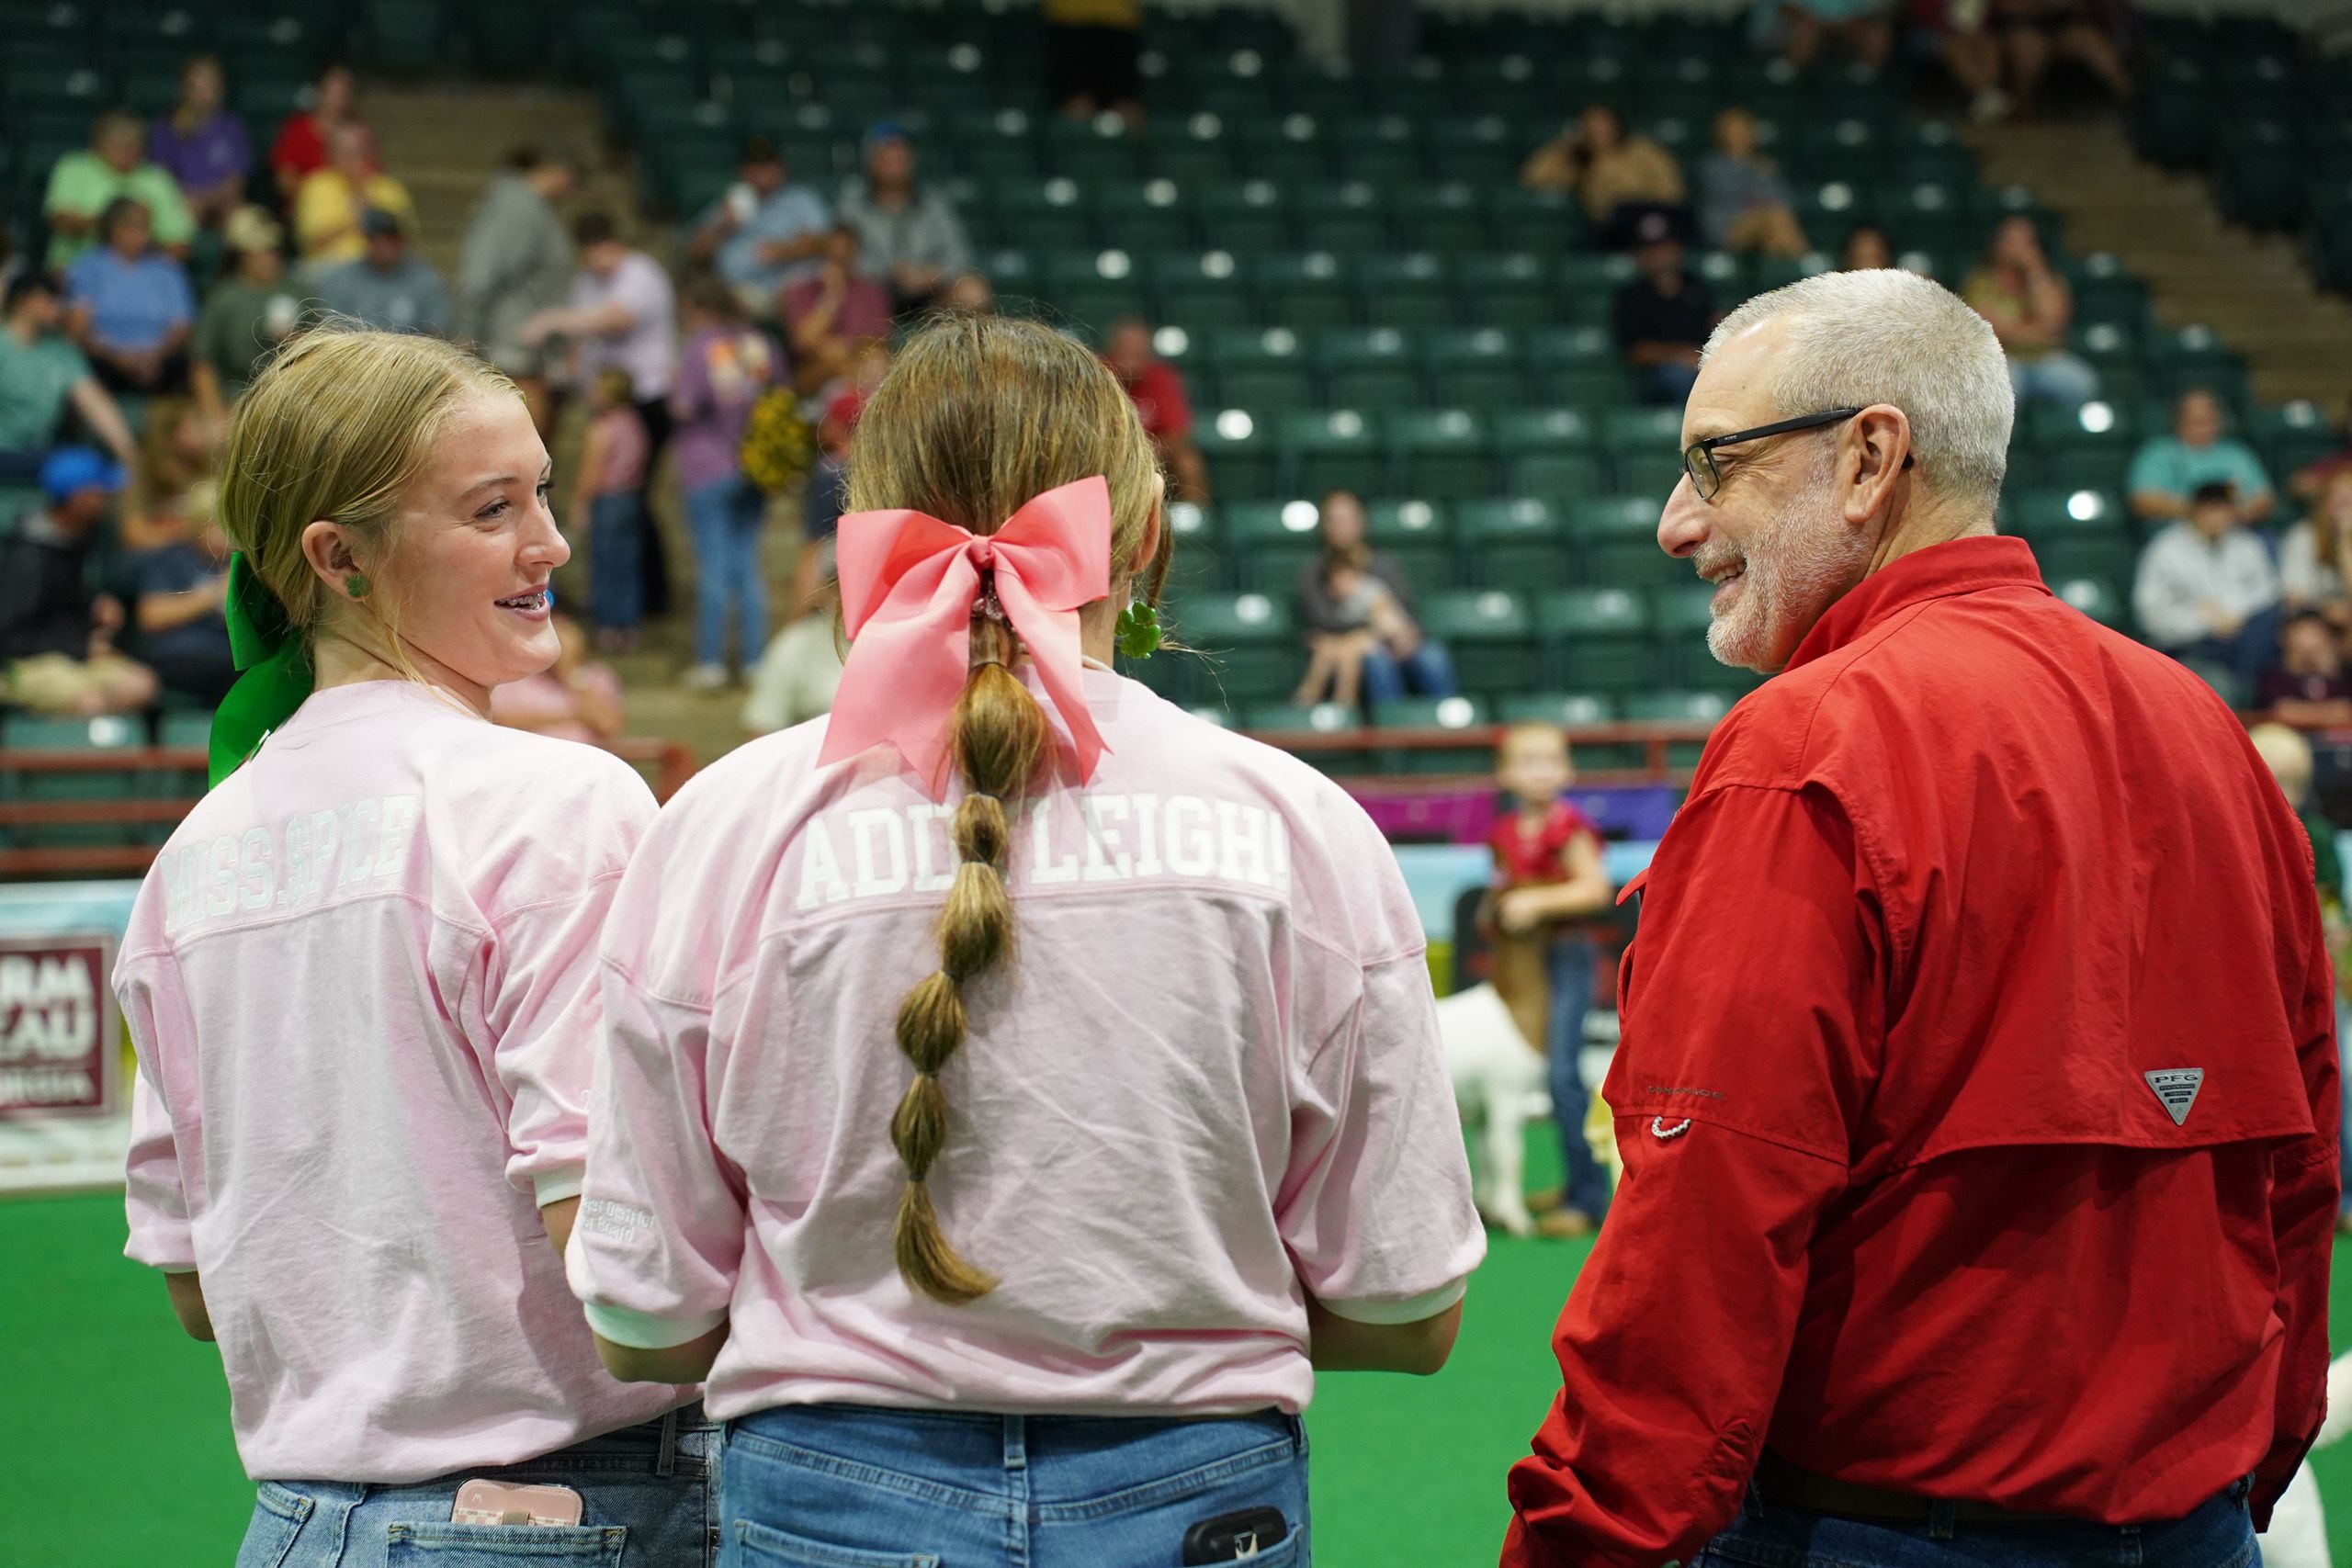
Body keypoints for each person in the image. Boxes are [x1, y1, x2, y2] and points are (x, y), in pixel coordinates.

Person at [566, 312, 1482, 1561]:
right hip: (1196, 1488)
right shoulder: (1298, 826)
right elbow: (1410, 1305)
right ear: (1144, 536)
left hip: (826, 1489)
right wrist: (1167, 1303)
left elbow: (641, 1321)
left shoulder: (721, 827)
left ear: (863, 541)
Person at [1505, 267, 2337, 1567]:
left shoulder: (1809, 743)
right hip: (2199, 1526)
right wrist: (2234, 1481)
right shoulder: (2208, 731)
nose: (1677, 522)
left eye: (1714, 462)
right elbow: (2296, 1164)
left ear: (1869, 457)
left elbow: (1707, 1219)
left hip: (1883, 1529)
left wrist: (1581, 1545)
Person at [115, 328, 718, 1560]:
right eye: (493, 509)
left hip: (296, 1519)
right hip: (570, 1506)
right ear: (338, 558)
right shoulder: (557, 801)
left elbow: (193, 1286)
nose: (549, 541)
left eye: (543, 492)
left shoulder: (187, 862)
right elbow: (619, 1261)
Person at [1483, 722, 1615, 1240]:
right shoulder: (1505, 833)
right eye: (1528, 761)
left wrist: (1535, 901)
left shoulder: (1570, 829)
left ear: (1567, 769)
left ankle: (1588, 1197)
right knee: (1540, 1072)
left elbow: (1594, 889)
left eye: (1550, 760)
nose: (1541, 771)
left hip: (1567, 958)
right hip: (1524, 964)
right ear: (1506, 774)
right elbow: (1501, 887)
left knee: (1563, 1075)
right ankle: (1568, 1183)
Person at [673, 274, 784, 691]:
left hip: (708, 467)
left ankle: (711, 662)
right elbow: (779, 395)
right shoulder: (760, 345)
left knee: (715, 567)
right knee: (747, 566)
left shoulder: (703, 347)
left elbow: (684, 405)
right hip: (755, 467)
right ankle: (755, 660)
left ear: (700, 310)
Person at [0, 446, 155, 716]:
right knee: (89, 702)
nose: (108, 498)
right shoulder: (28, 557)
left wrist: (94, 603)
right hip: (25, 664)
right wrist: (80, 646)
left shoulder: (81, 540)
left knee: (141, 684)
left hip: (71, 656)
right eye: (100, 491)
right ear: (78, 498)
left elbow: (66, 600)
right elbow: (12, 636)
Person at [455, 145, 578, 431]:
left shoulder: (532, 207)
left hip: (529, 347)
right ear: (553, 170)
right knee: (520, 437)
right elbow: (481, 273)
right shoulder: (516, 206)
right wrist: (467, 331)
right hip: (511, 345)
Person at [1296, 490, 1455, 704]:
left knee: (1433, 655)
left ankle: (1448, 727)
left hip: (1394, 639)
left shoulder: (1384, 564)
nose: (1341, 526)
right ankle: (1390, 730)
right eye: (1334, 520)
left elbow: (1405, 611)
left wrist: (1400, 634)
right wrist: (1367, 636)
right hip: (1354, 649)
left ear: (1362, 522)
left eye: (1348, 519)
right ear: (1324, 525)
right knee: (1376, 660)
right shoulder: (1313, 572)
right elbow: (1323, 623)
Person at [2135, 480, 2282, 697]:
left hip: (2242, 639)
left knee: (2268, 629)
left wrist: (2231, 613)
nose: (2218, 516)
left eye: (2224, 508)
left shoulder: (2246, 544)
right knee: (2219, 685)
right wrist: (2204, 621)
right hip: (2189, 647)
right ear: (2195, 511)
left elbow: (2267, 592)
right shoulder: (2166, 549)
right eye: (2211, 509)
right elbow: (2150, 614)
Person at [0, 271, 140, 482]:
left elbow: (96, 405)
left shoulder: (61, 351)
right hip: (6, 450)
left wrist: (130, 455)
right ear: (25, 300)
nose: (58, 308)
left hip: (41, 452)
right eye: (50, 300)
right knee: (76, 468)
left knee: (94, 469)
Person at [1962, 214, 2097, 411]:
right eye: (2011, 241)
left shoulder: (2049, 280)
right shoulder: (1980, 282)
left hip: (2047, 358)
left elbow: (2053, 320)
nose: (2018, 248)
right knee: (2004, 389)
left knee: (2080, 382)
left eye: (2025, 242)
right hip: (2003, 359)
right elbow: (1989, 330)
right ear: (1997, 244)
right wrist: (2038, 333)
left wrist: (2035, 270)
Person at [836, 125, 973, 317]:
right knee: (842, 291)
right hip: (874, 292)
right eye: (886, 160)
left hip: (929, 293)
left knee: (972, 292)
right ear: (871, 163)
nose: (894, 167)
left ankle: (957, 346)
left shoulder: (934, 204)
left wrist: (930, 275)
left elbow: (960, 256)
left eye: (900, 160)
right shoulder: (852, 205)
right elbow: (842, 258)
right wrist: (890, 274)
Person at [687, 136, 831, 319]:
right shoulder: (728, 205)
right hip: (736, 292)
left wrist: (784, 251)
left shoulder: (800, 199)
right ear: (742, 170)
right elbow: (696, 254)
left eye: (768, 164)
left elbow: (824, 242)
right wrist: (722, 227)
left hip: (789, 287)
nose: (761, 171)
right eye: (754, 164)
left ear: (781, 167)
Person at [64, 198, 196, 398]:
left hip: (159, 362)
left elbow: (181, 326)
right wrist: (117, 358)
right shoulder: (89, 267)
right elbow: (78, 328)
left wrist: (156, 356)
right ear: (114, 229)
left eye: (145, 227)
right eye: (133, 227)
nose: (142, 235)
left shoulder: (167, 270)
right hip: (104, 361)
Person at [191, 207, 305, 428]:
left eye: (270, 250)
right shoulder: (224, 297)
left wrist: (295, 343)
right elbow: (202, 362)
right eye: (255, 252)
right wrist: (214, 414)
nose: (265, 259)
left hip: (295, 395)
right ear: (241, 256)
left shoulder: (300, 291)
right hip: (238, 395)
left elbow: (324, 351)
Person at [42, 110, 197, 270]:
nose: (128, 147)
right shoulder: (74, 167)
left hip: (141, 273)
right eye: (119, 141)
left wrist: (141, 255)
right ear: (98, 142)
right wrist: (115, 224)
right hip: (73, 269)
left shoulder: (157, 179)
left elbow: (180, 246)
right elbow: (59, 218)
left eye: (133, 141)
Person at [126, 482, 236, 705]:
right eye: (218, 526)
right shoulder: (171, 560)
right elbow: (152, 617)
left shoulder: (238, 563)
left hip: (228, 654)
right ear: (199, 526)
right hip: (180, 654)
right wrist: (212, 595)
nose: (226, 535)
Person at [1521, 105, 1687, 250]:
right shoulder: (1580, 158)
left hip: (1648, 216)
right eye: (1591, 125)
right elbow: (1534, 175)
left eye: (1604, 123)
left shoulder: (1641, 150)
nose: (1599, 130)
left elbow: (1672, 191)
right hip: (1608, 227)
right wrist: (1569, 145)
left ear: (1617, 125)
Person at [571, 367, 650, 649]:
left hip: (607, 501)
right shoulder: (634, 425)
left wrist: (579, 506)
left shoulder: (602, 428)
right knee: (628, 564)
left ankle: (607, 626)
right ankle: (628, 626)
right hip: (631, 499)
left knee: (604, 564)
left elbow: (590, 472)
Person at [2130, 386, 2276, 528]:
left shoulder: (2236, 453)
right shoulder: (2158, 453)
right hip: (2180, 533)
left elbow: (2264, 499)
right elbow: (2142, 501)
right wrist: (2200, 512)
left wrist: (2236, 513)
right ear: (2178, 423)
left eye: (2209, 421)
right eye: (2195, 422)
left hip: (2235, 532)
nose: (2202, 428)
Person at [1613, 212, 1718, 407]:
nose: (1659, 256)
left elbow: (1711, 325)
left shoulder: (1695, 285)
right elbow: (1636, 351)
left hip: (1702, 363)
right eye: (1651, 250)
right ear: (1640, 255)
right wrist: (1680, 355)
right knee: (1678, 377)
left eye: (1664, 247)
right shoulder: (1632, 296)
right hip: (1660, 374)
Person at [1102, 317, 1208, 503]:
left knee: (1188, 462)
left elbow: (1178, 434)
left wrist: (1144, 453)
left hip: (1154, 454)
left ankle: (1193, 523)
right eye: (1125, 353)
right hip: (1109, 454)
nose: (1130, 362)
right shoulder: (1099, 374)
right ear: (1113, 351)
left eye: (1137, 354)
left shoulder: (1161, 377)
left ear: (1147, 355)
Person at [741, 551, 844, 736]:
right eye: (839, 585)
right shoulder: (795, 644)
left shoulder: (901, 644)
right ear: (825, 590)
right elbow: (762, 728)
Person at [781, 226, 892, 395]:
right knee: (826, 367)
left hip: (860, 365)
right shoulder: (802, 291)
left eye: (845, 249)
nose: (839, 256)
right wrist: (832, 296)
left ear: (855, 252)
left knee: (876, 361)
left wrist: (840, 349)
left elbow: (877, 342)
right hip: (817, 371)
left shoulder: (871, 292)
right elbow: (803, 342)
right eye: (832, 251)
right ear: (822, 254)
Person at [294, 122, 415, 271]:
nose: (354, 159)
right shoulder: (317, 185)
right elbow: (316, 242)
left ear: (373, 153)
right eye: (346, 152)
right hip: (330, 270)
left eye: (360, 151)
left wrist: (371, 214)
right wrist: (355, 218)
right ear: (331, 154)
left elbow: (404, 239)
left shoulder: (389, 187)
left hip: (381, 269)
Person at [491, 611, 625, 744]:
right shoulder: (514, 676)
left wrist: (571, 673)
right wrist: (575, 717)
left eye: (563, 638)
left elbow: (607, 724)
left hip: (581, 759)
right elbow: (500, 723)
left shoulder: (597, 677)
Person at [311, 208, 450, 336]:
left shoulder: (424, 280)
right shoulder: (340, 279)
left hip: (408, 357)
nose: (383, 245)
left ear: (402, 240)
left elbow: (436, 332)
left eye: (391, 238)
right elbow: (330, 330)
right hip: (353, 356)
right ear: (367, 241)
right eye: (376, 239)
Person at [149, 55, 251, 231]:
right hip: (181, 202)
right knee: (176, 211)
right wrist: (187, 199)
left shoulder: (232, 127)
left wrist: (207, 199)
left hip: (222, 203)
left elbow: (235, 182)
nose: (202, 93)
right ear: (184, 89)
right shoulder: (166, 127)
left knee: (238, 213)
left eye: (208, 86)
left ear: (221, 89)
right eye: (196, 87)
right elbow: (161, 178)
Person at [1991, 0, 2132, 120]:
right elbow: (2006, 6)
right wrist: (2048, 7)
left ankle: (2133, 103)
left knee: (2093, 43)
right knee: (2029, 50)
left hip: (2065, 25)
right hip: (2022, 26)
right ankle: (2024, 113)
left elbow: (2080, 6)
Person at [1698, 107, 1808, 260]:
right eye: (1733, 130)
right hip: (1726, 228)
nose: (1738, 135)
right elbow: (1732, 197)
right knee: (1774, 219)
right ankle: (1804, 264)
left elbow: (1785, 202)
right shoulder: (1711, 166)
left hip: (1767, 226)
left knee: (1775, 231)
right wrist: (1756, 173)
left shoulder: (1765, 165)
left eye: (1743, 129)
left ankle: (1788, 267)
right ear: (1721, 133)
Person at [1043, 0, 1144, 127]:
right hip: (1069, 18)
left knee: (1124, 102)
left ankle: (1132, 146)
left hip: (1118, 20)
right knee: (1077, 102)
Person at [267, 64, 357, 201]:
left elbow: (370, 175)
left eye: (343, 94)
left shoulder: (357, 131)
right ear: (319, 92)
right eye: (332, 92)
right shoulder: (297, 129)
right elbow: (284, 180)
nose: (337, 100)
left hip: (349, 207)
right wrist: (317, 198)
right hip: (307, 207)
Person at [2281, 468, 2352, 624]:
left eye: (2349, 497)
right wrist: (2326, 609)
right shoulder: (2303, 536)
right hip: (2315, 620)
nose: (2345, 503)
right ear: (2324, 503)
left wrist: (2345, 543)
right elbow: (2294, 599)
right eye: (2338, 496)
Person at [2258, 613, 2352, 728]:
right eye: (2302, 633)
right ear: (2285, 638)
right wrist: (2331, 712)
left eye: (2315, 633)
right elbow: (2283, 712)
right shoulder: (2273, 676)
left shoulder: (2343, 674)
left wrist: (2330, 671)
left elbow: (2346, 710)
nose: (2309, 642)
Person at [1779, 0, 1895, 70]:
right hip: (1812, 26)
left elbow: (1867, 12)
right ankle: (1788, 75)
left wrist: (1843, 24)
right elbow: (1788, 8)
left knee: (1877, 33)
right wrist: (1819, 23)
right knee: (1808, 30)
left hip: (1847, 27)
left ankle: (1864, 78)